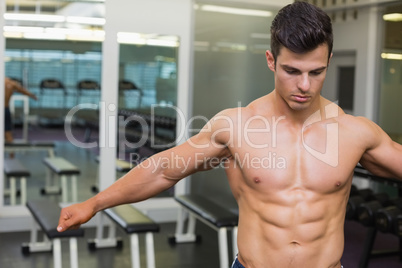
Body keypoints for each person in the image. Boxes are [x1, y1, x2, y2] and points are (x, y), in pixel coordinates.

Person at [57, 2, 402, 268]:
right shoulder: (236, 126)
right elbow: (163, 169)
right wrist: (94, 203)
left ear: (328, 60)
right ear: (270, 60)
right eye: (291, 71)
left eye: (317, 72)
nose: (304, 86)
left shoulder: (355, 132)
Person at [4, 77, 37, 144]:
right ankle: (11, 154)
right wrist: (32, 95)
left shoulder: (10, 83)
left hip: (5, 110)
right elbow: (22, 90)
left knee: (7, 133)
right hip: (5, 109)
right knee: (8, 133)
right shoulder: (12, 83)